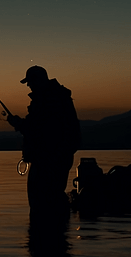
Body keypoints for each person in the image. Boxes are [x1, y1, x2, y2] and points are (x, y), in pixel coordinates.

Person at [8, 66, 81, 219]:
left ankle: (44, 237)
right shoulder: (57, 97)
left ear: (38, 81)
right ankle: (57, 236)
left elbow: (39, 128)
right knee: (53, 199)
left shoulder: (48, 100)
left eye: (30, 82)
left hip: (48, 160)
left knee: (41, 203)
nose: (29, 86)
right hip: (59, 157)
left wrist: (18, 124)